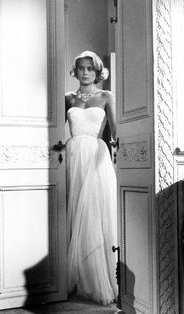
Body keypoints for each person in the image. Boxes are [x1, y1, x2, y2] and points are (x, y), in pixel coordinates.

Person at [65, 50, 118, 305]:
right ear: (75, 71)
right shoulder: (68, 98)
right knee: (74, 214)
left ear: (97, 71)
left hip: (96, 157)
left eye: (90, 68)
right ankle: (73, 279)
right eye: (81, 68)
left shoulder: (106, 96)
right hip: (72, 157)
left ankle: (95, 278)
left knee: (94, 214)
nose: (85, 72)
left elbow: (116, 133)